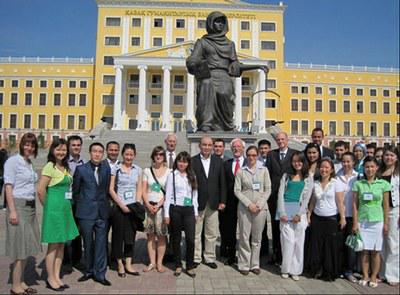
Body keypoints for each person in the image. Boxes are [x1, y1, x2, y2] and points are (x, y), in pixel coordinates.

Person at [186, 11, 267, 132]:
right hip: (208, 74)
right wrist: (193, 63)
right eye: (217, 22)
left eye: (222, 22)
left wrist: (258, 66)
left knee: (225, 94)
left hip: (224, 75)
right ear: (210, 24)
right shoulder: (202, 42)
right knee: (206, 86)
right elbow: (193, 58)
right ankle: (206, 124)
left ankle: (227, 125)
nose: (219, 24)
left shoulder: (230, 44)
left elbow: (235, 64)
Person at [37, 138, 79, 291]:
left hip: (65, 209)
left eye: (63, 150)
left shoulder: (65, 166)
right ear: (52, 151)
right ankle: (50, 277)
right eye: (58, 149)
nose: (61, 152)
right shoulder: (50, 166)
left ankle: (57, 276)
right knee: (53, 246)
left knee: (61, 245)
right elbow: (41, 191)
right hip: (54, 210)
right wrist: (48, 208)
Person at [4, 133, 40, 295]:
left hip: (30, 208)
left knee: (26, 247)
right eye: (26, 144)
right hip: (18, 207)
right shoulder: (13, 161)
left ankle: (22, 281)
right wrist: (12, 210)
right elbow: (8, 186)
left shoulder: (29, 163)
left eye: (32, 145)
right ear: (21, 144)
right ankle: (15, 286)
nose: (29, 148)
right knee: (20, 248)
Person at [73, 142, 112, 286]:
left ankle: (100, 273)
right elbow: (76, 192)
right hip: (86, 213)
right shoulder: (81, 169)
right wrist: (79, 209)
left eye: (100, 152)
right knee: (88, 243)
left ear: (103, 154)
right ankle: (89, 270)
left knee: (101, 244)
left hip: (102, 212)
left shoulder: (106, 169)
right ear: (90, 153)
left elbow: (107, 190)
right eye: (94, 151)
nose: (97, 154)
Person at [352, 156, 390, 288]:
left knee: (375, 251)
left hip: (377, 221)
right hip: (363, 221)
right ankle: (365, 275)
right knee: (364, 250)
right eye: (367, 167)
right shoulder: (358, 184)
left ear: (377, 168)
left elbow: (385, 205)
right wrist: (355, 223)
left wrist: (386, 223)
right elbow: (355, 205)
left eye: (372, 166)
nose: (369, 169)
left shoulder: (383, 184)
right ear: (364, 168)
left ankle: (374, 276)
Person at [308, 158, 346, 281]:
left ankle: (328, 272)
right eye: (322, 167)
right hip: (317, 218)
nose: (324, 170)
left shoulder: (336, 183)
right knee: (317, 246)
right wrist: (309, 214)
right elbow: (313, 201)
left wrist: (343, 218)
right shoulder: (316, 183)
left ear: (332, 170)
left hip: (331, 219)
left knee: (329, 247)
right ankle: (316, 270)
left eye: (327, 168)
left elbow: (340, 202)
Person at [235, 146, 271, 275]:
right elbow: (237, 190)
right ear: (246, 156)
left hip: (260, 209)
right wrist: (249, 204)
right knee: (244, 236)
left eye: (254, 155)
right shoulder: (241, 171)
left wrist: (259, 204)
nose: (251, 158)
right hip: (245, 208)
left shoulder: (264, 170)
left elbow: (268, 189)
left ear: (257, 156)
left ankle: (255, 264)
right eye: (249, 155)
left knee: (257, 238)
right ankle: (244, 264)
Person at [277, 151, 313, 281]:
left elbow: (307, 198)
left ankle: (296, 270)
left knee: (298, 243)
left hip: (299, 214)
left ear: (303, 163)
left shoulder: (308, 177)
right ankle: (285, 268)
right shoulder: (286, 176)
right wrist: (282, 212)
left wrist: (299, 213)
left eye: (299, 161)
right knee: (288, 241)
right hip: (285, 212)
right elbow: (280, 194)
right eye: (294, 161)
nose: (297, 163)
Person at [191, 136, 226, 269]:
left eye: (209, 145)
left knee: (211, 232)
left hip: (213, 202)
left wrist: (223, 200)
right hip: (197, 202)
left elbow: (222, 182)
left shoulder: (218, 161)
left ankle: (210, 257)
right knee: (196, 232)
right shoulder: (193, 161)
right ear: (200, 146)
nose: (206, 147)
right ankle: (196, 257)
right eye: (204, 145)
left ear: (212, 147)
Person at [109, 143, 141, 277]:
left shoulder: (138, 169)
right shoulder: (115, 169)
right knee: (118, 236)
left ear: (134, 155)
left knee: (130, 237)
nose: (129, 157)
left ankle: (128, 263)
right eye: (126, 154)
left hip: (132, 208)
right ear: (123, 154)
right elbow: (110, 189)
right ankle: (120, 264)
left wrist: (137, 203)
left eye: (131, 154)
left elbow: (139, 188)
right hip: (119, 207)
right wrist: (121, 205)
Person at [164, 151, 199, 278]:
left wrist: (195, 212)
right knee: (176, 239)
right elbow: (167, 196)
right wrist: (166, 214)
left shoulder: (192, 175)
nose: (182, 164)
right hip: (175, 209)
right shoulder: (172, 175)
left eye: (184, 161)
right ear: (176, 162)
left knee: (190, 239)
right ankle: (178, 265)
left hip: (189, 210)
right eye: (180, 161)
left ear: (188, 163)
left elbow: (195, 196)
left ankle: (189, 266)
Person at [266, 132, 295, 265]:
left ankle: (287, 255)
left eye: (283, 139)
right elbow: (268, 174)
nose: (280, 141)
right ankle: (276, 254)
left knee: (288, 226)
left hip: (289, 196)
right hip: (274, 196)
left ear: (287, 140)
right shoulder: (271, 154)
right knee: (275, 225)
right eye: (278, 139)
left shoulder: (294, 154)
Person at [142, 146, 170, 273]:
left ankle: (160, 263)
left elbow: (168, 193)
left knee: (162, 236)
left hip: (162, 207)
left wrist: (158, 205)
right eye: (156, 154)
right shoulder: (147, 171)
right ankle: (152, 262)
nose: (158, 157)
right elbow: (143, 190)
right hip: (149, 206)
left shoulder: (169, 171)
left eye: (161, 154)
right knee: (150, 236)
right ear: (153, 156)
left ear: (164, 157)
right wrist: (148, 204)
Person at [220, 138, 246, 265]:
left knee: (245, 230)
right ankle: (231, 255)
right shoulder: (226, 164)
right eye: (234, 147)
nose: (236, 149)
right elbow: (223, 185)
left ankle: (244, 256)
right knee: (230, 230)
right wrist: (223, 201)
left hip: (245, 202)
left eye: (239, 146)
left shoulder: (248, 163)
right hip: (230, 202)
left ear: (243, 148)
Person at [335, 152, 359, 283]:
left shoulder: (358, 177)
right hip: (338, 215)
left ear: (353, 162)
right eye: (344, 161)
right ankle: (339, 268)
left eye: (348, 161)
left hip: (353, 216)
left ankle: (349, 270)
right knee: (338, 244)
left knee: (350, 245)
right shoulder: (337, 176)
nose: (346, 164)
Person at [64, 135, 86, 269]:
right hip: (66, 200)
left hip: (80, 200)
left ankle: (77, 259)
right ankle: (65, 259)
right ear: (69, 146)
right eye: (73, 145)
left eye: (78, 145)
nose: (76, 147)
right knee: (66, 230)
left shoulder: (84, 161)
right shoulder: (63, 161)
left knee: (78, 230)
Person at [378, 146, 399, 286]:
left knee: (393, 243)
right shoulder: (379, 172)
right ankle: (382, 272)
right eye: (386, 155)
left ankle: (393, 275)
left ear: (396, 157)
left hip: (394, 210)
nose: (388, 158)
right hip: (378, 210)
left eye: (391, 155)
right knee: (381, 243)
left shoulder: (398, 174)